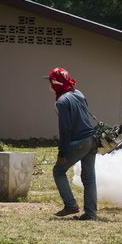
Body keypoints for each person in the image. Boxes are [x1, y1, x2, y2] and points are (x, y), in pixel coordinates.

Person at [46, 67, 98, 221]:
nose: (49, 85)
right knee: (89, 178)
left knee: (58, 171)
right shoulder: (79, 93)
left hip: (79, 142)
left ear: (55, 83)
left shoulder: (61, 102)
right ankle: (90, 213)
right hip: (92, 140)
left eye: (50, 82)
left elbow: (66, 129)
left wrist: (62, 153)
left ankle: (70, 205)